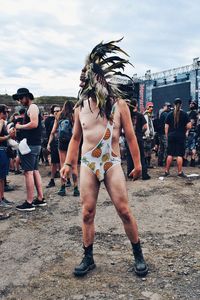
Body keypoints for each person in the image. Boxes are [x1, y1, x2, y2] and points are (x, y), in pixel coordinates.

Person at [60, 38, 148, 277]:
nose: (79, 80)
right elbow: (76, 139)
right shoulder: (79, 108)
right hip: (89, 163)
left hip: (112, 162)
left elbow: (131, 136)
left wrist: (138, 164)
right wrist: (68, 162)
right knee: (87, 212)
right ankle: (88, 257)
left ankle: (138, 254)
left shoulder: (118, 105)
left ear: (95, 78)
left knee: (124, 210)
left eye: (83, 75)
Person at [13, 88, 46, 211]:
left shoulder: (32, 107)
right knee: (35, 170)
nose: (20, 101)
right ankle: (40, 199)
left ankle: (29, 202)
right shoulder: (32, 108)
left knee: (28, 172)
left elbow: (34, 124)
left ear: (27, 97)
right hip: (35, 144)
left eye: (21, 98)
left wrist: (19, 126)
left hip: (30, 145)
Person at [47, 101, 80, 197]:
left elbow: (53, 131)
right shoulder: (74, 115)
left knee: (63, 165)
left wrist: (49, 143)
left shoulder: (59, 115)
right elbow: (77, 130)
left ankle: (62, 188)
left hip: (61, 143)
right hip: (72, 142)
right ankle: (76, 189)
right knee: (74, 166)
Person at [164, 98, 191, 177]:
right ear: (181, 104)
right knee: (179, 154)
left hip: (171, 136)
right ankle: (179, 172)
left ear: (174, 105)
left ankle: (166, 171)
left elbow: (166, 127)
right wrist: (185, 128)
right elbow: (189, 126)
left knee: (170, 154)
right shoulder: (185, 114)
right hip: (180, 136)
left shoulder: (169, 114)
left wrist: (167, 136)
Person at [126, 99, 150, 180]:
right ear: (136, 105)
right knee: (141, 156)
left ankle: (130, 173)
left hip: (129, 139)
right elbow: (145, 127)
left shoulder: (127, 115)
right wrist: (141, 133)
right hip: (138, 138)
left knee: (129, 156)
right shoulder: (140, 115)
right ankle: (144, 174)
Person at [0, 104, 15, 209]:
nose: (7, 114)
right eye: (6, 112)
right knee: (1, 177)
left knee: (2, 178)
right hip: (1, 151)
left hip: (3, 151)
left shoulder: (3, 123)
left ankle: (2, 197)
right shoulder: (1, 121)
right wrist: (9, 136)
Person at [45, 105, 60, 188]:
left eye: (58, 110)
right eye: (55, 111)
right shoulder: (51, 121)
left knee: (62, 162)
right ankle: (52, 180)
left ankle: (66, 180)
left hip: (62, 144)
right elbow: (51, 133)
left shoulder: (63, 120)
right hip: (54, 144)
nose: (56, 112)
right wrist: (48, 144)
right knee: (54, 162)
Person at [158, 102, 172, 166]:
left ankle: (160, 161)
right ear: (164, 106)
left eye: (170, 106)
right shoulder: (165, 114)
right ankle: (165, 161)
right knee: (166, 147)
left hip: (161, 133)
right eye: (168, 106)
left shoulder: (163, 113)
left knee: (162, 148)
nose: (169, 107)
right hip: (164, 133)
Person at [143, 101, 155, 168]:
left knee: (149, 150)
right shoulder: (145, 115)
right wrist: (147, 135)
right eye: (150, 106)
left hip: (150, 136)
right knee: (146, 150)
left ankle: (148, 164)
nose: (151, 108)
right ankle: (145, 164)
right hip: (146, 136)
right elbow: (146, 125)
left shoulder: (149, 115)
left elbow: (151, 126)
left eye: (152, 107)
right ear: (147, 107)